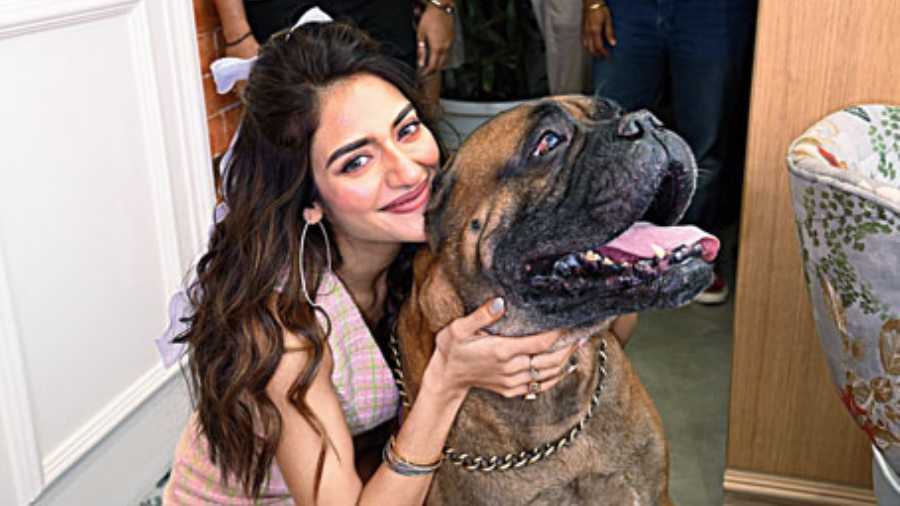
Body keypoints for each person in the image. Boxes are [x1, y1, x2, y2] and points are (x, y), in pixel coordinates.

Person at [161, 21, 637, 504]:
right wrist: (446, 381)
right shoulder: (281, 327)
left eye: (407, 130)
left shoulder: (438, 241)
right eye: (356, 162)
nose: (409, 172)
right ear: (309, 201)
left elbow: (615, 333)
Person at [582, 0, 756, 304]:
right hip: (628, 9)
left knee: (706, 139)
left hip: (712, 12)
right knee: (610, 134)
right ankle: (603, 251)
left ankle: (691, 259)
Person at [212, 0, 456, 78]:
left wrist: (440, 5)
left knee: (396, 106)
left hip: (380, 9)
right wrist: (237, 36)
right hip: (283, 9)